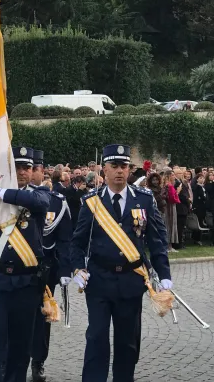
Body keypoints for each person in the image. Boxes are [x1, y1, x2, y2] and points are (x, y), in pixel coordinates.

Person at [71, 144, 171, 382]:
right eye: (114, 166)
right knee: (96, 337)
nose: (119, 171)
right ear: (104, 169)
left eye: (123, 166)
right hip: (99, 281)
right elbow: (77, 242)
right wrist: (77, 268)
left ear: (129, 170)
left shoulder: (144, 200)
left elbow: (157, 241)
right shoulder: (91, 202)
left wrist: (164, 275)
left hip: (130, 280)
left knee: (127, 342)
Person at [0, 146, 51, 382]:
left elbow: (38, 202)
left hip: (27, 283)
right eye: (18, 167)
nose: (23, 172)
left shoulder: (39, 194)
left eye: (28, 167)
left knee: (21, 346)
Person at [30, 150, 72, 382]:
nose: (32, 172)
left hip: (46, 270)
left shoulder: (58, 201)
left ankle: (38, 362)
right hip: (19, 268)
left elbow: (65, 238)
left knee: (42, 318)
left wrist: (65, 270)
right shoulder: (11, 198)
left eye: (35, 168)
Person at [162, 170, 180, 252]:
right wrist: (178, 192)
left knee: (169, 225)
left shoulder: (167, 185)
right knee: (169, 224)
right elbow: (172, 198)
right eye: (172, 175)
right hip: (169, 207)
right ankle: (168, 246)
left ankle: (169, 245)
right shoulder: (169, 186)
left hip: (169, 206)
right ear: (168, 176)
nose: (174, 177)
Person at [192, 174, 208, 244]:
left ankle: (198, 238)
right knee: (199, 221)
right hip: (198, 207)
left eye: (203, 178)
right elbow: (200, 196)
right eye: (200, 178)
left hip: (203, 207)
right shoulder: (197, 187)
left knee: (201, 221)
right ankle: (196, 239)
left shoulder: (203, 187)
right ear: (197, 179)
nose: (202, 179)